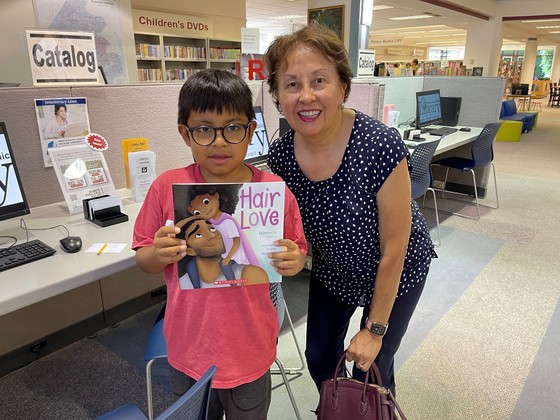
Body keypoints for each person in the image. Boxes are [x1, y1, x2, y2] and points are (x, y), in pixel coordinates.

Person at [264, 24, 436, 396]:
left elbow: (395, 247)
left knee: (370, 369)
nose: (306, 96)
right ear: (278, 96)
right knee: (321, 358)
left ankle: (376, 408)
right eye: (292, 84)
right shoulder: (281, 156)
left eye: (319, 80)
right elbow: (290, 230)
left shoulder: (378, 145)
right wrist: (294, 252)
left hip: (397, 269)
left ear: (343, 87)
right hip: (335, 272)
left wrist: (374, 329)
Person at [132, 68, 307, 420]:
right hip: (190, 347)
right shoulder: (167, 187)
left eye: (232, 128)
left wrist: (294, 260)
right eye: (204, 129)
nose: (219, 141)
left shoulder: (274, 190)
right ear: (185, 133)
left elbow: (297, 253)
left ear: (251, 131)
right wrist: (159, 252)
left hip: (252, 348)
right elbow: (144, 259)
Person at [176, 216, 269, 289]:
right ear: (190, 250)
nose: (212, 235)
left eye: (212, 228)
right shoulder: (183, 283)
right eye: (198, 235)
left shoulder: (250, 274)